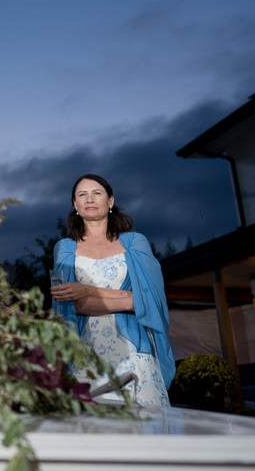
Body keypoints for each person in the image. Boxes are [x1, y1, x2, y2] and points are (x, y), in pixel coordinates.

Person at [51, 173, 174, 406]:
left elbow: (152, 301)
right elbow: (70, 305)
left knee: (147, 429)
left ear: (110, 201)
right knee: (94, 431)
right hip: (86, 354)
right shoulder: (65, 249)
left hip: (134, 351)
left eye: (97, 193)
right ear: (75, 205)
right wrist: (130, 299)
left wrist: (85, 290)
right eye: (82, 195)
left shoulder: (135, 242)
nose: (90, 199)